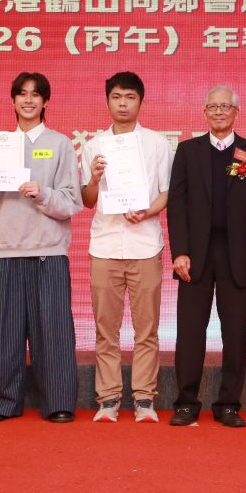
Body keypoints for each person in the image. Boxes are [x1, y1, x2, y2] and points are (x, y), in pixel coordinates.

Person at [0, 72, 83, 423]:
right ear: (13, 100)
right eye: (22, 94)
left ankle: (59, 401)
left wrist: (41, 192)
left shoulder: (60, 144)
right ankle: (2, 401)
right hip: (6, 251)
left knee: (53, 332)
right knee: (3, 334)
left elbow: (71, 202)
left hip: (49, 251)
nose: (28, 100)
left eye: (35, 94)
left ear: (46, 101)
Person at [166, 86, 246, 428]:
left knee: (236, 332)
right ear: (205, 112)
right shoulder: (188, 150)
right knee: (190, 330)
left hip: (237, 254)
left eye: (226, 106)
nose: (220, 112)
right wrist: (179, 251)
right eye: (213, 106)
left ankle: (229, 404)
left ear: (237, 112)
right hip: (195, 255)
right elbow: (177, 205)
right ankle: (186, 403)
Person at [81, 71, 173, 423]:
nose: (123, 104)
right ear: (107, 101)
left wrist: (147, 211)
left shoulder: (157, 144)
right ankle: (108, 398)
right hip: (105, 245)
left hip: (145, 245)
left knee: (146, 329)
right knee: (106, 329)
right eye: (117, 97)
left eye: (130, 97)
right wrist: (94, 178)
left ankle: (144, 398)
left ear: (140, 102)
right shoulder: (93, 146)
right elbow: (88, 199)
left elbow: (166, 192)